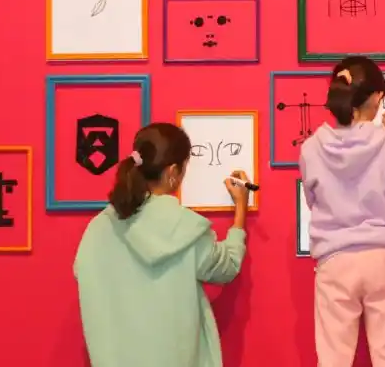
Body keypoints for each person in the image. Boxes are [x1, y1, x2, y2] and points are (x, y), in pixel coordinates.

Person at [74, 122, 252, 367]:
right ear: (173, 171)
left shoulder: (98, 229)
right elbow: (227, 267)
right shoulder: (185, 228)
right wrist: (241, 208)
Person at [298, 56, 385, 367]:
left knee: (333, 359)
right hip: (384, 260)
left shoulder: (311, 149)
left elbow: (313, 200)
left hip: (335, 261)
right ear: (378, 96)